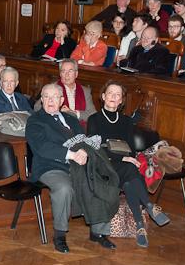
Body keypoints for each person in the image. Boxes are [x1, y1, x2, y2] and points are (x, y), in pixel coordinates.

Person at [26, 83, 114, 253]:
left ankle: (98, 232)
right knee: (64, 188)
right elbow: (42, 147)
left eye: (54, 97)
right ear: (41, 100)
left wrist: (84, 152)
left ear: (61, 100)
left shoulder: (72, 119)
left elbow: (83, 140)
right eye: (46, 97)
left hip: (77, 164)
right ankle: (59, 235)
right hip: (50, 166)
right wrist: (71, 154)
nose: (50, 100)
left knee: (100, 180)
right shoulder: (35, 120)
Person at [86, 81, 170, 247]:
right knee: (130, 170)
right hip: (102, 165)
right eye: (110, 93)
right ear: (103, 96)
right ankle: (149, 206)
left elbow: (131, 150)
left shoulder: (125, 121)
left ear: (121, 101)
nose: (113, 97)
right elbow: (95, 148)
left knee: (130, 180)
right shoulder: (94, 119)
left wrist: (126, 158)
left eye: (117, 95)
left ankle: (140, 226)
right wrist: (121, 158)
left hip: (123, 167)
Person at [34, 59, 96, 125]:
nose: (67, 75)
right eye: (63, 71)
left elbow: (93, 114)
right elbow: (37, 107)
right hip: (58, 126)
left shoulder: (85, 91)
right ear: (60, 74)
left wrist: (75, 113)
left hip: (79, 127)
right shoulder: (53, 88)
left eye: (70, 71)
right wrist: (57, 111)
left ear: (76, 74)